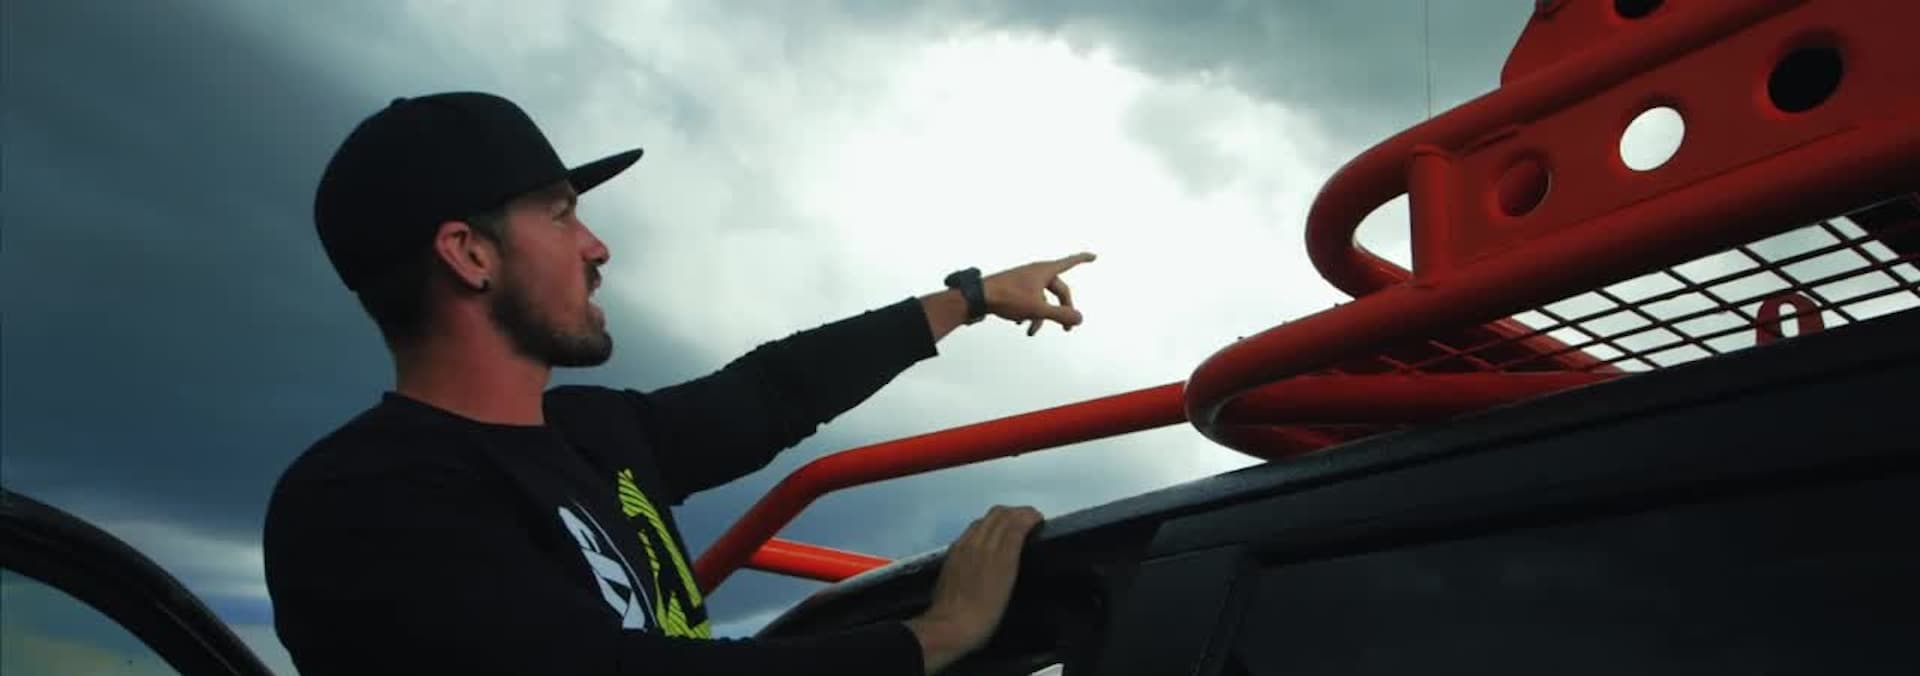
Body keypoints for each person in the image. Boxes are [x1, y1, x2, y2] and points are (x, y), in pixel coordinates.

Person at [262, 91, 1098, 675]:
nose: (596, 247)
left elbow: (775, 391)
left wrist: (970, 298)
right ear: (470, 254)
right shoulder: (363, 501)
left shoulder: (593, 434)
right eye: (561, 213)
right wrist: (938, 633)